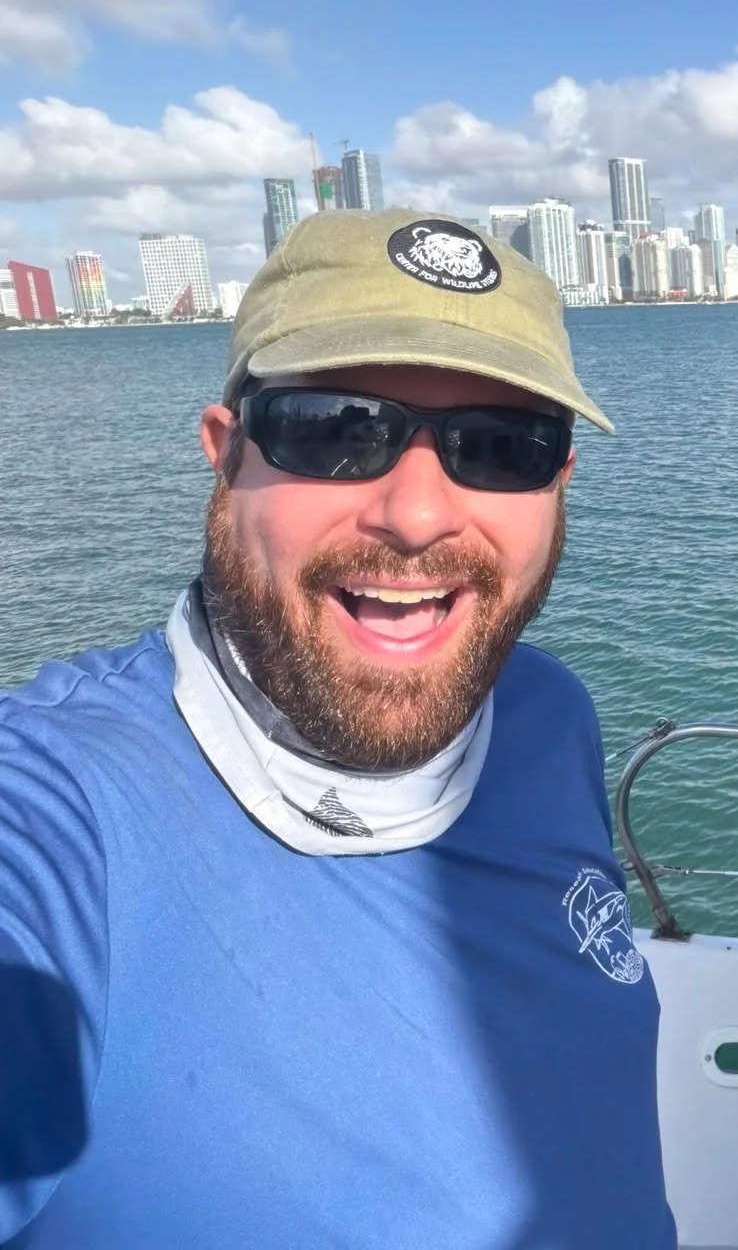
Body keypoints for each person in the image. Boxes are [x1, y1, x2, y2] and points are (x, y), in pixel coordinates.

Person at [0, 211, 676, 1244]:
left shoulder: (546, 715)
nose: (416, 514)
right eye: (335, 429)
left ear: (561, 482)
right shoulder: (54, 818)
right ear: (226, 458)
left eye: (500, 448)